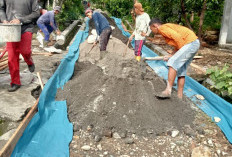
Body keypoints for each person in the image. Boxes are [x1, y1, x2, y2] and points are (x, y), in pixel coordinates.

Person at [149, 18, 200, 99]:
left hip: (190, 43)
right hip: (193, 43)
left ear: (155, 26)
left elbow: (178, 39)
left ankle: (168, 90)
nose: (152, 31)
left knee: (172, 63)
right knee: (181, 71)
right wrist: (171, 55)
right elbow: (178, 45)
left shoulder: (162, 28)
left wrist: (172, 57)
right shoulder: (167, 28)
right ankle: (180, 96)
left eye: (151, 29)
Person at [0, 0, 40, 92]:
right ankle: (15, 82)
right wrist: (4, 20)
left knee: (25, 50)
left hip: (26, 27)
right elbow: (1, 9)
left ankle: (29, 61)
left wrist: (21, 20)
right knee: (12, 57)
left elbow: (36, 13)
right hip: (11, 28)